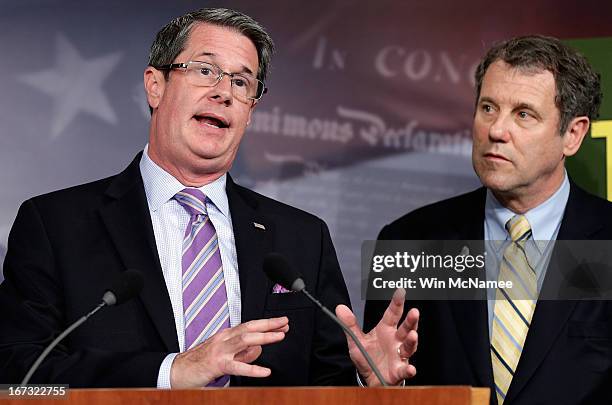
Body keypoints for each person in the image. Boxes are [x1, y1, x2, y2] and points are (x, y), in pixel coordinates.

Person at [0, 8, 417, 388]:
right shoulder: (55, 224)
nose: (224, 93)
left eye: (241, 81)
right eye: (205, 71)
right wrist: (172, 372)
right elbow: (20, 375)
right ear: (155, 85)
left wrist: (370, 383)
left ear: (250, 109)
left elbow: (327, 384)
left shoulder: (302, 238)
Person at [364, 35, 612, 404]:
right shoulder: (410, 240)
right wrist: (382, 389)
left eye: (523, 114)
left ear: (572, 135)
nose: (496, 130)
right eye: (488, 108)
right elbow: (386, 376)